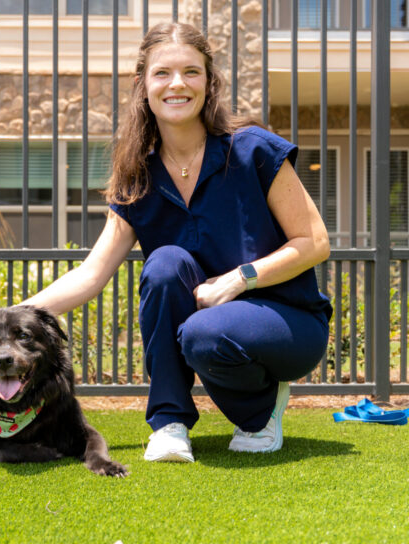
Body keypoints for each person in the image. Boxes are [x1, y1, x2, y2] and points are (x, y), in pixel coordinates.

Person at [21, 22, 332, 463]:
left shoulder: (252, 150)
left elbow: (316, 242)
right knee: (164, 264)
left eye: (191, 72)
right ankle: (169, 423)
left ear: (209, 82)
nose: (177, 84)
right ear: (142, 84)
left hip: (289, 321)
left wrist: (239, 280)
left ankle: (260, 412)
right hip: (208, 326)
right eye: (163, 73)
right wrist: (9, 317)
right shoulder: (139, 176)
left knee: (202, 332)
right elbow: (91, 275)